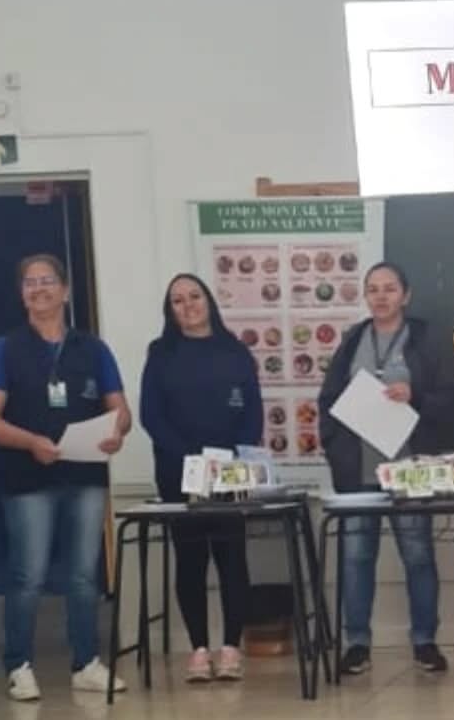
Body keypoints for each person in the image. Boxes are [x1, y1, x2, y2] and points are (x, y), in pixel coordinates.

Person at [0, 254, 132, 702]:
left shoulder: (93, 349)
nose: (39, 288)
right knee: (28, 575)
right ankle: (18, 665)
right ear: (21, 293)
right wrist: (30, 442)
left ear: (65, 290)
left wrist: (117, 432)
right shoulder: (4, 348)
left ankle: (86, 663)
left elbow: (121, 411)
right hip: (28, 478)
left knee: (83, 576)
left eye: (47, 281)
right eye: (30, 282)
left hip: (86, 475)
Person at [318, 262, 453, 675]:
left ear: (405, 295)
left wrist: (414, 396)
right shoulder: (352, 340)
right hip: (358, 470)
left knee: (418, 555)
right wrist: (333, 446)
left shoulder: (424, 340)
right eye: (373, 289)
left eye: (389, 288)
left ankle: (425, 641)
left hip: (409, 467)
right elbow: (329, 399)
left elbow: (450, 397)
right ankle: (357, 643)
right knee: (356, 557)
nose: (380, 296)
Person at [140, 273, 262, 682]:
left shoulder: (235, 351)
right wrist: (190, 460)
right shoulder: (161, 353)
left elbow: (253, 413)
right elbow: (151, 415)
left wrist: (231, 459)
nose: (188, 305)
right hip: (179, 472)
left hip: (228, 472)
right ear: (169, 310)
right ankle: (198, 649)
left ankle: (230, 648)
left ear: (208, 300)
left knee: (232, 558)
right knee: (190, 560)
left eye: (194, 296)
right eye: (177, 300)